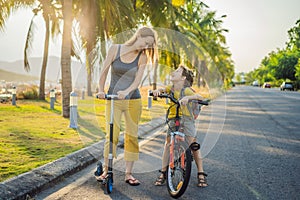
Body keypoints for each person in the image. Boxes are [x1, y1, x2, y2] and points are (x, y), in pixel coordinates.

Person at [96, 27, 158, 186]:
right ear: (139, 36)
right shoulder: (115, 49)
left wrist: (127, 91)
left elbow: (137, 81)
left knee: (132, 136)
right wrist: (101, 90)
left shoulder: (142, 57)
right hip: (113, 99)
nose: (146, 47)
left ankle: (128, 174)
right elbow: (103, 72)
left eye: (149, 45)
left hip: (133, 100)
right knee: (112, 135)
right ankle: (106, 170)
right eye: (146, 42)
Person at [152, 65, 208, 187]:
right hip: (173, 118)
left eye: (177, 71)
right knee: (168, 145)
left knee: (193, 146)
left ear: (183, 78)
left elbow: (199, 97)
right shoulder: (171, 88)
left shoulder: (186, 90)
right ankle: (163, 172)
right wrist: (158, 91)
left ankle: (201, 173)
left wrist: (188, 97)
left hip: (186, 119)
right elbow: (163, 90)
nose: (173, 72)